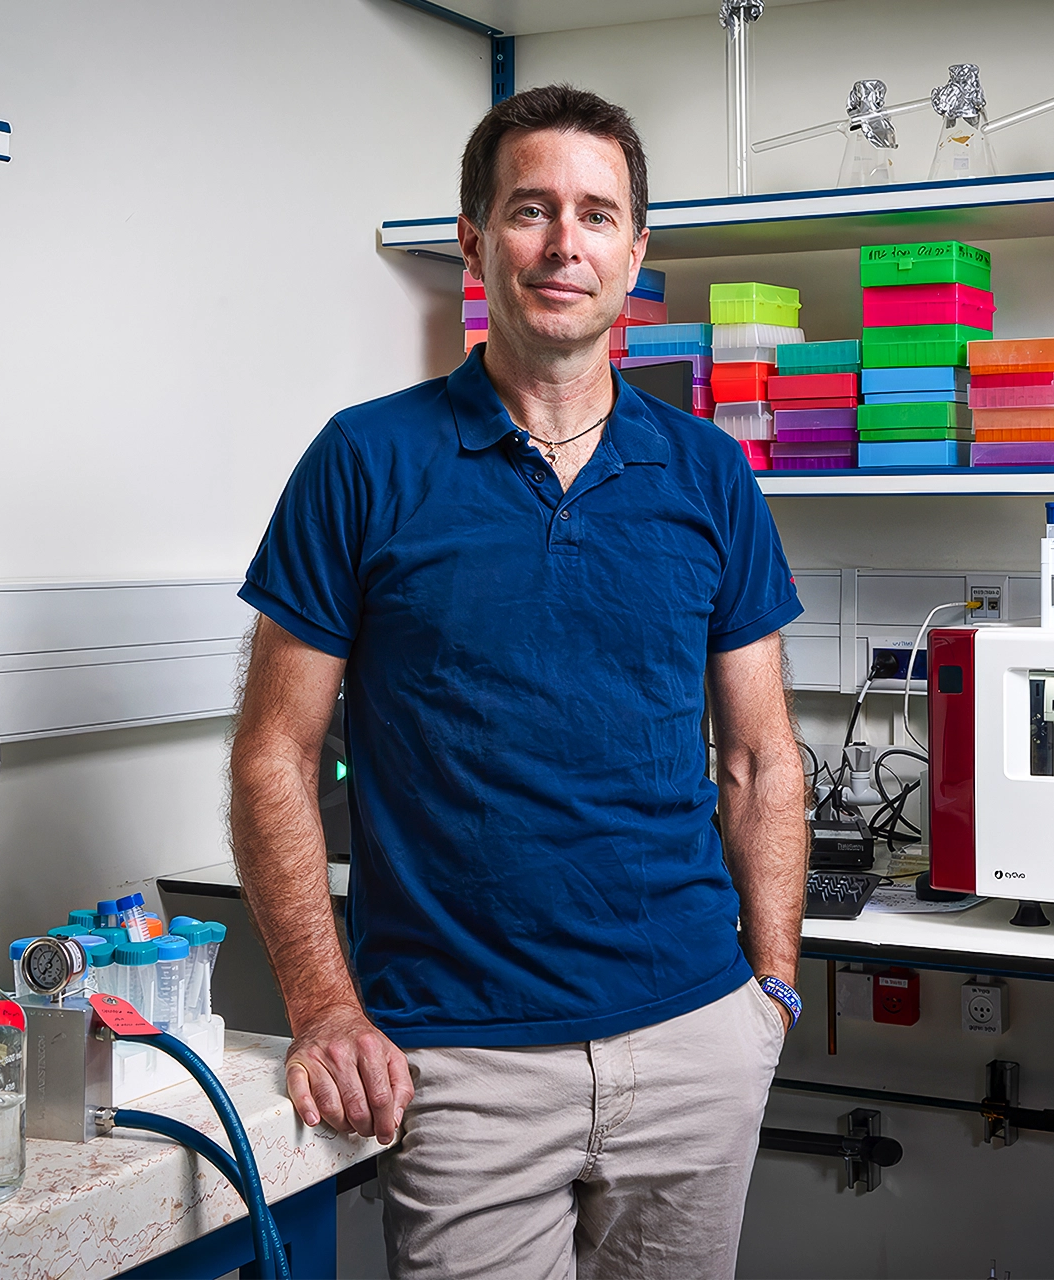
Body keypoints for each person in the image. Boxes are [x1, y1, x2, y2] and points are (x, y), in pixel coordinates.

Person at [228, 84, 809, 1279]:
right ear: (474, 240)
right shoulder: (364, 460)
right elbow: (272, 755)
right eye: (530, 209)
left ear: (635, 253)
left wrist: (770, 993)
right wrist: (326, 1006)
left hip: (696, 1036)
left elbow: (760, 756)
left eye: (596, 215)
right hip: (461, 1063)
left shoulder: (708, 472)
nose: (563, 243)